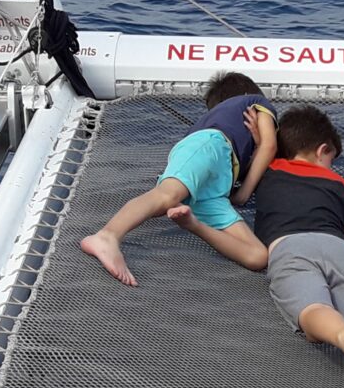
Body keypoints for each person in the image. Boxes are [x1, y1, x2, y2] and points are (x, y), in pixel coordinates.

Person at [254, 105, 344, 388]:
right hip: (338, 247)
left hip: (290, 246)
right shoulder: (340, 184)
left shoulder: (268, 171)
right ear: (322, 151)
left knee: (313, 309)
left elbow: (262, 151)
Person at [81, 71, 277, 285]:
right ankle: (107, 236)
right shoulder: (256, 102)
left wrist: (255, 145)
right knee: (167, 195)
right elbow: (270, 146)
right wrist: (243, 195)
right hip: (210, 146)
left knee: (258, 256)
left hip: (218, 185)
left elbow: (260, 152)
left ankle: (192, 223)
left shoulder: (239, 135)